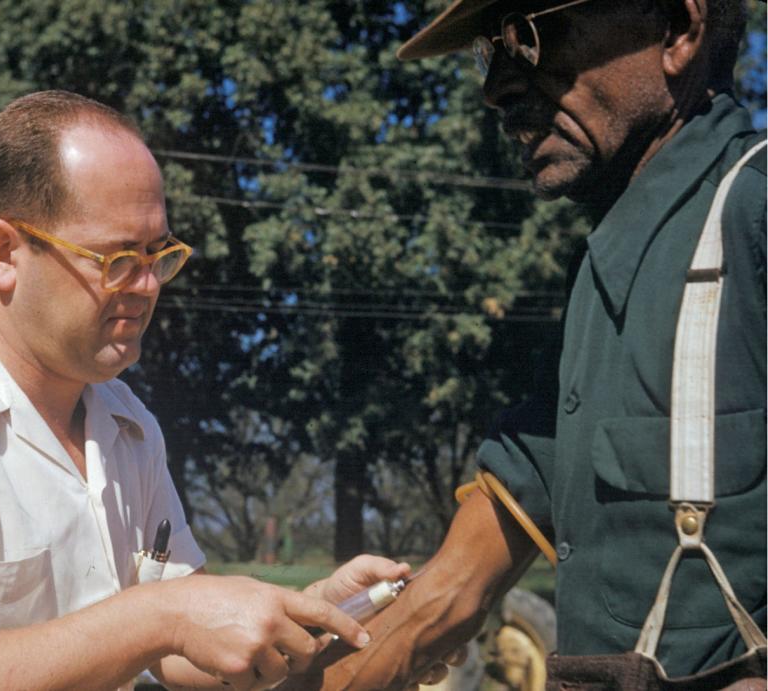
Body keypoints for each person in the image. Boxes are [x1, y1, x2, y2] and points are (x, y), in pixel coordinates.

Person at [0, 90, 409, 691]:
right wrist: (155, 617)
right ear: (4, 254)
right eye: (117, 257)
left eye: (158, 254)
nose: (147, 284)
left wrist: (305, 615)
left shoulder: (128, 421)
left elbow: (180, 646)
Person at [293, 0, 766, 688]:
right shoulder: (601, 283)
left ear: (678, 30)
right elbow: (445, 597)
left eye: (529, 33)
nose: (497, 86)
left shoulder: (751, 216)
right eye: (491, 49)